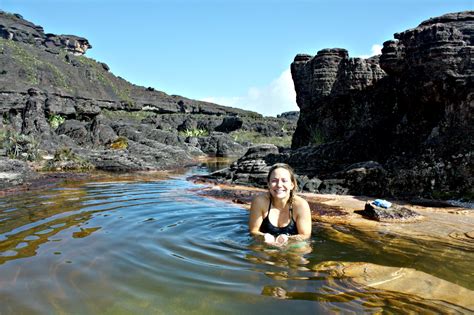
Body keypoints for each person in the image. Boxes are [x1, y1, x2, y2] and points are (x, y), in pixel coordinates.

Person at [249, 163, 312, 247]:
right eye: (274, 180)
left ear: (292, 185)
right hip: (265, 245)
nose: (279, 185)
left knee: (303, 248)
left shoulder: (300, 205)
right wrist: (263, 236)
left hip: (293, 245)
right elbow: (253, 231)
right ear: (268, 184)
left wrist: (288, 239)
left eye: (284, 180)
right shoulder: (260, 202)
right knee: (254, 253)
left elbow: (305, 235)